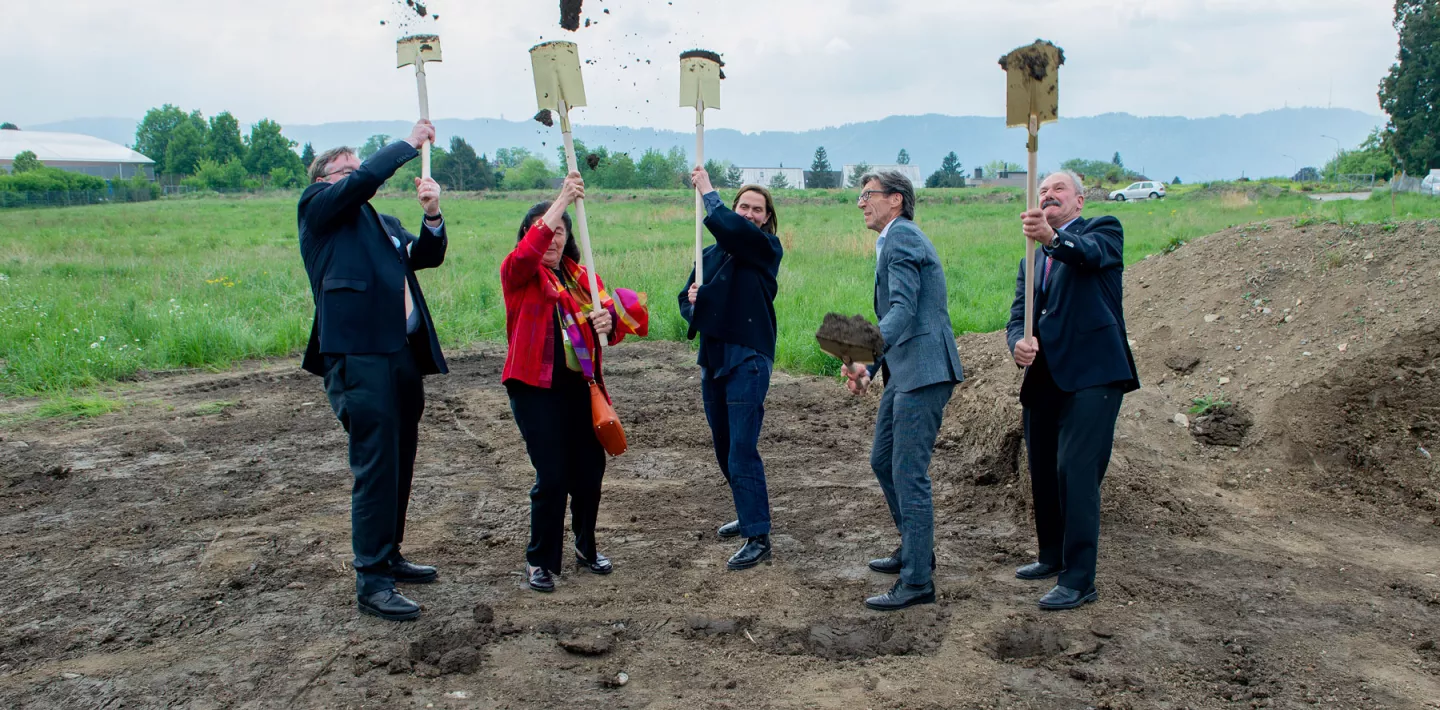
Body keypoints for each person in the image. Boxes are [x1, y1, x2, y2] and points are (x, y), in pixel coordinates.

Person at [298, 119, 448, 621]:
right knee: (376, 466)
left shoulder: (382, 224)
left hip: (401, 355)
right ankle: (372, 580)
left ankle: (391, 553)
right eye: (343, 170)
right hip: (358, 356)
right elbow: (363, 183)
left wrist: (431, 214)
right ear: (322, 181)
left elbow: (426, 256)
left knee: (400, 459)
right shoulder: (318, 211)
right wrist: (409, 144)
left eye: (356, 169)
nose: (356, 176)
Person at [501, 172, 649, 593]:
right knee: (552, 476)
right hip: (534, 388)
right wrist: (562, 200)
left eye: (560, 233)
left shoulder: (585, 279)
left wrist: (608, 321)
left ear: (569, 238)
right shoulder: (519, 274)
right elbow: (527, 252)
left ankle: (586, 547)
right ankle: (540, 561)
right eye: (544, 231)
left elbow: (612, 329)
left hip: (581, 389)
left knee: (589, 471)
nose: (551, 238)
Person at [1005, 170, 1139, 611]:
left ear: (1079, 201)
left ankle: (1080, 579)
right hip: (1044, 377)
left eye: (1057, 190)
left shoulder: (1103, 231)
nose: (1047, 196)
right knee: (1043, 470)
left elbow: (1087, 255)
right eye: (1042, 191)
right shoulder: (1030, 258)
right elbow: (1017, 317)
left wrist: (1052, 239)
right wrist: (1017, 345)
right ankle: (1052, 556)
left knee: (1076, 472)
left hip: (1093, 374)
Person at [841, 170, 964, 611]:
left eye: (868, 194)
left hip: (926, 371)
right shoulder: (892, 239)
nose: (860, 202)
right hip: (905, 369)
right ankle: (916, 551)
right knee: (882, 460)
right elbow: (900, 314)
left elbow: (904, 308)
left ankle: (917, 583)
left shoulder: (903, 237)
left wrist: (863, 351)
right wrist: (870, 367)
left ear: (896, 200)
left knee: (909, 473)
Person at [678, 167, 784, 571]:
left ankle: (758, 536)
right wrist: (692, 299)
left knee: (742, 447)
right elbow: (685, 304)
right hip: (714, 358)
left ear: (766, 218)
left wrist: (709, 192)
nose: (750, 213)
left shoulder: (764, 249)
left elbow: (736, 233)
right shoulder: (707, 257)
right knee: (724, 445)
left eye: (758, 209)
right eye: (744, 206)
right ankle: (747, 507)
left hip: (749, 358)